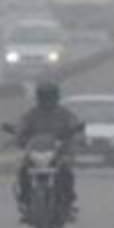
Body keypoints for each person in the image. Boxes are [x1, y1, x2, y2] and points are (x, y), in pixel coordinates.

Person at [13, 81, 81, 218]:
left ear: (55, 97)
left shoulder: (64, 114)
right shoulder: (32, 114)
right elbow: (22, 127)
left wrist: (75, 136)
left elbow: (74, 125)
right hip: (36, 152)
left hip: (58, 153)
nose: (47, 100)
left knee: (66, 172)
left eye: (49, 97)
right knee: (23, 170)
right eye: (44, 97)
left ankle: (68, 200)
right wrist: (18, 136)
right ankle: (25, 199)